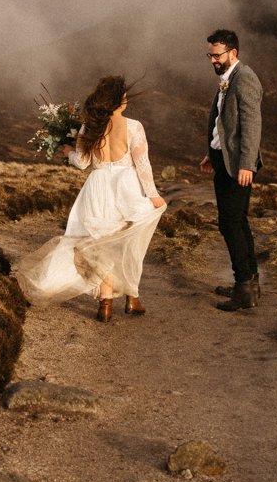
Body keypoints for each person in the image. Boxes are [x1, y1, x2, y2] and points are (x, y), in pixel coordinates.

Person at [16, 75, 168, 322]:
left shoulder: (89, 128)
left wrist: (69, 152)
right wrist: (153, 195)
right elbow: (143, 165)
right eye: (124, 96)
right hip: (125, 187)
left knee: (101, 243)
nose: (126, 99)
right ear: (117, 101)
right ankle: (131, 298)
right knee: (127, 242)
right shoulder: (133, 127)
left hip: (97, 187)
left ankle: (107, 304)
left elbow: (83, 163)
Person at [200, 29, 262, 311]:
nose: (212, 60)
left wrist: (247, 165)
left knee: (230, 224)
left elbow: (251, 125)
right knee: (238, 222)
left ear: (232, 53)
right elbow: (224, 124)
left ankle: (243, 289)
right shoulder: (227, 79)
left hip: (238, 167)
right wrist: (212, 151)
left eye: (217, 55)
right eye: (210, 55)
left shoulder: (244, 78)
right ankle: (250, 282)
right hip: (225, 161)